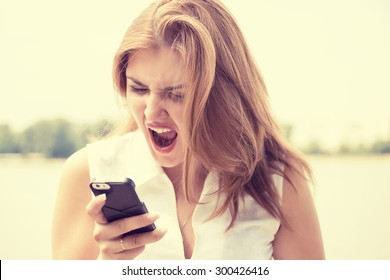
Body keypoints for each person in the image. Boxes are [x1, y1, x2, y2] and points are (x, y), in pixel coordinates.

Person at [52, 0, 324, 260]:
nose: (150, 113)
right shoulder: (87, 171)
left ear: (223, 97)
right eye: (139, 88)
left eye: (176, 94)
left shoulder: (280, 180)